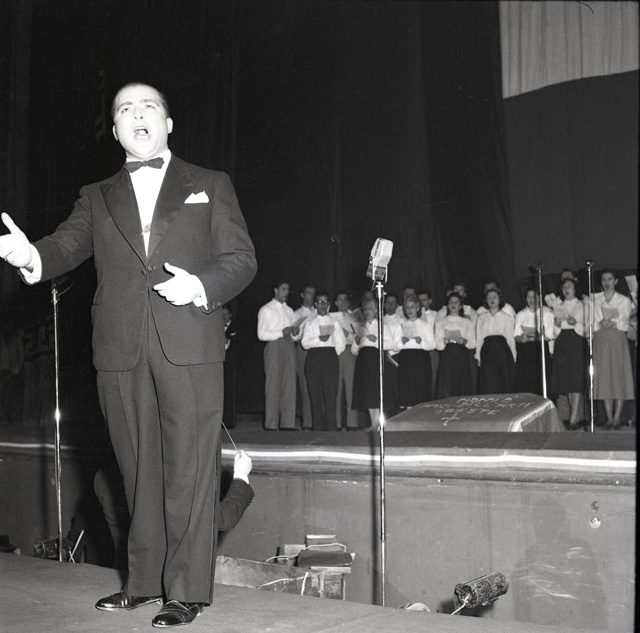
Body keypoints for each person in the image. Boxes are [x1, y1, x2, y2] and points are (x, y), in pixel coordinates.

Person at [0, 82, 257, 628]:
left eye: (148, 107)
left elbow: (241, 259)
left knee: (189, 468)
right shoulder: (96, 195)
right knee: (136, 469)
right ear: (115, 131)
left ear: (168, 123)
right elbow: (66, 245)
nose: (137, 115)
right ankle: (142, 582)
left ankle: (186, 590)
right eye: (124, 110)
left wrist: (201, 286)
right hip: (119, 347)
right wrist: (30, 257)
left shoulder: (210, 184)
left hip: (190, 342)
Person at [95, 450, 255, 572]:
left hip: (126, 575)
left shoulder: (102, 477)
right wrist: (241, 474)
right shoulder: (165, 480)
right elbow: (224, 517)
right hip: (168, 588)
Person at [592, 269, 635, 428]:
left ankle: (617, 418)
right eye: (604, 279)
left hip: (617, 339)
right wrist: (600, 323)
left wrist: (613, 323)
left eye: (610, 279)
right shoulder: (595, 300)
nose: (607, 282)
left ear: (616, 281)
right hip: (601, 339)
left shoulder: (623, 300)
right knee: (605, 378)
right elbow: (591, 321)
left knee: (618, 377)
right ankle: (609, 418)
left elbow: (625, 321)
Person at [257, 281, 300, 431]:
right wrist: (281, 332)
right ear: (276, 290)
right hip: (274, 346)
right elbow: (261, 334)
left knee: (289, 385)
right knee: (273, 385)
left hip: (289, 346)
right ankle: (271, 424)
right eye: (283, 289)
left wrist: (295, 333)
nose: (286, 292)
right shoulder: (266, 310)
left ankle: (288, 424)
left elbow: (294, 336)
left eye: (288, 289)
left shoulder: (290, 311)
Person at [351, 300, 399, 429]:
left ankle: (378, 423)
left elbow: (391, 344)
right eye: (365, 309)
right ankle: (373, 423)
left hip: (376, 359)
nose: (367, 311)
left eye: (370, 308)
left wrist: (377, 340)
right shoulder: (360, 327)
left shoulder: (383, 326)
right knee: (367, 392)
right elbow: (354, 351)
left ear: (376, 311)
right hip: (363, 360)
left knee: (375, 391)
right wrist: (356, 341)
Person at [301, 291, 346, 430]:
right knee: (315, 394)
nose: (322, 305)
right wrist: (318, 340)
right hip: (314, 357)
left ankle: (331, 428)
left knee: (331, 395)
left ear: (329, 304)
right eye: (320, 302)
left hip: (330, 358)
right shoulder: (310, 323)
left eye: (325, 302)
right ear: (315, 304)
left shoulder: (334, 322)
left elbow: (341, 344)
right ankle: (318, 428)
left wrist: (331, 353)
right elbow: (304, 343)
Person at [550, 278, 587, 429]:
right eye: (564, 286)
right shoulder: (558, 306)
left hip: (576, 342)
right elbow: (553, 333)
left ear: (575, 289)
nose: (566, 289)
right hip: (562, 343)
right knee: (567, 379)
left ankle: (573, 418)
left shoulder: (582, 305)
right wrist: (557, 325)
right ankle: (575, 416)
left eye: (569, 286)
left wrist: (575, 323)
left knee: (576, 378)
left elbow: (587, 330)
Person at [514, 286, 555, 395]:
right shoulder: (520, 314)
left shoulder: (547, 314)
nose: (532, 299)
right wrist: (521, 338)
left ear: (539, 298)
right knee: (526, 386)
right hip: (525, 353)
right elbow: (516, 336)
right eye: (529, 296)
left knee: (541, 384)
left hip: (540, 351)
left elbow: (548, 336)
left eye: (534, 296)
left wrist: (533, 337)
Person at [434, 293, 476, 399]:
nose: (453, 304)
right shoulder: (440, 323)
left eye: (456, 302)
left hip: (462, 355)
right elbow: (437, 345)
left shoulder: (467, 322)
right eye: (451, 302)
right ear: (447, 306)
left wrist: (464, 341)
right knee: (447, 383)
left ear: (461, 306)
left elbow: (473, 343)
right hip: (447, 356)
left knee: (462, 384)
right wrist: (444, 341)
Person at [476, 288, 516, 394]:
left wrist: (513, 357)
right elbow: (479, 338)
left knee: (502, 381)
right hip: (487, 351)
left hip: (502, 351)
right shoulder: (481, 318)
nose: (492, 299)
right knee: (488, 381)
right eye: (489, 297)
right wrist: (478, 357)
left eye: (494, 297)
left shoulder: (506, 317)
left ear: (499, 300)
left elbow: (510, 339)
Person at [396, 297, 435, 407]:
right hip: (406, 358)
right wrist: (401, 342)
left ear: (418, 308)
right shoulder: (401, 325)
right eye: (407, 307)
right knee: (406, 388)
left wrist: (421, 341)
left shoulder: (425, 325)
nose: (409, 310)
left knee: (419, 388)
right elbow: (395, 347)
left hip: (420, 359)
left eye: (412, 307)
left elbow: (432, 345)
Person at [331, 291, 359, 430]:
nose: (342, 302)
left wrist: (348, 334)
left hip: (349, 351)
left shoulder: (354, 317)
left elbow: (360, 336)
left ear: (348, 302)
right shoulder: (330, 317)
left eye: (345, 299)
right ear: (335, 302)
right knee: (335, 389)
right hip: (334, 352)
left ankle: (351, 423)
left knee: (351, 388)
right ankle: (336, 423)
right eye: (339, 299)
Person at [293, 284, 316, 430]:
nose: (311, 296)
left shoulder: (319, 311)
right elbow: (293, 337)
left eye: (313, 293)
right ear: (302, 295)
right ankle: (308, 422)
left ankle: (319, 420)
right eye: (308, 293)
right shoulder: (296, 314)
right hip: (303, 349)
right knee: (305, 385)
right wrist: (295, 333)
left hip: (318, 350)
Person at [418, 289, 439, 395]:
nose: (422, 303)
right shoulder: (414, 315)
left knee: (433, 378)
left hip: (432, 351)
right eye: (420, 300)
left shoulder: (436, 315)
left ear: (430, 301)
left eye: (424, 300)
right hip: (418, 350)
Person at [222, 304, 238, 427]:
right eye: (221, 314)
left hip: (233, 367)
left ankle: (230, 422)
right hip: (220, 366)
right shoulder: (215, 327)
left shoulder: (236, 327)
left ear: (231, 315)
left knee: (231, 394)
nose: (223, 317)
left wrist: (227, 340)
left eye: (226, 314)